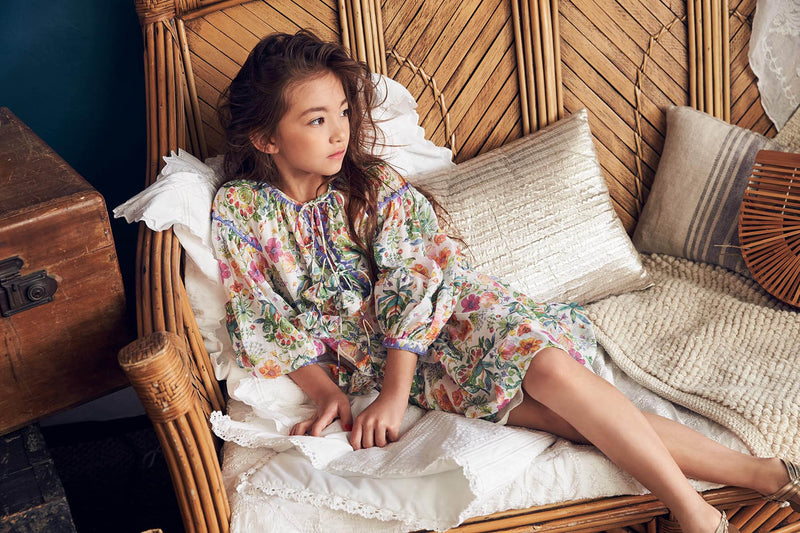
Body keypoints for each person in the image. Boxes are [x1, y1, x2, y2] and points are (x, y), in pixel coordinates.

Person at [210, 29, 799, 533]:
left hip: (456, 313)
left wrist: (391, 393)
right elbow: (263, 317)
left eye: (343, 112)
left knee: (550, 372)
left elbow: (413, 282)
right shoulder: (240, 211)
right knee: (565, 418)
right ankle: (769, 474)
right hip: (415, 370)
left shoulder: (374, 184)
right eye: (317, 120)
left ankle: (694, 513)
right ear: (266, 138)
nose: (341, 132)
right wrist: (328, 394)